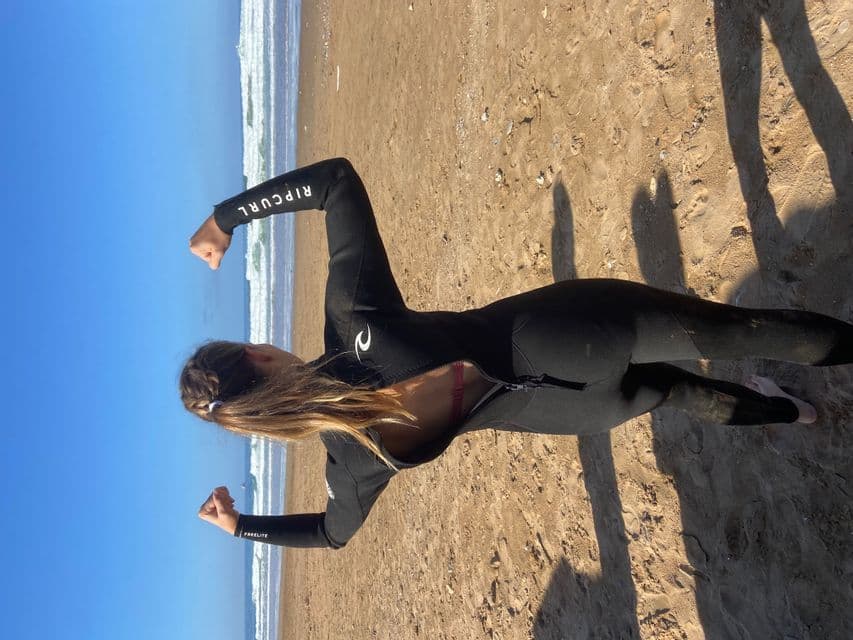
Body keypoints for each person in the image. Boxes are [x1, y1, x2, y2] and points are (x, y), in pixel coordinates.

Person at [184, 158, 853, 549]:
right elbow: (334, 183)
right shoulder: (354, 316)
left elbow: (331, 536)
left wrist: (243, 526)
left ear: (257, 423)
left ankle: (788, 414)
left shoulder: (351, 466)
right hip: (576, 332)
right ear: (259, 355)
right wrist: (226, 218)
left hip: (575, 412)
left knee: (677, 392)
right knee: (737, 332)